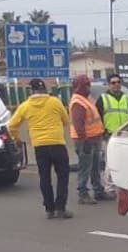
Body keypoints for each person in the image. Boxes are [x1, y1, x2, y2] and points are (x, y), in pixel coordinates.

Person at [6, 78, 72, 219]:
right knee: (62, 176)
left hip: (40, 146)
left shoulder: (25, 106)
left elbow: (11, 126)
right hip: (57, 143)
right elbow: (66, 120)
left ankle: (49, 209)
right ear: (44, 89)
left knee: (44, 177)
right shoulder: (55, 102)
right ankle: (60, 208)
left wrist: (17, 139)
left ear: (31, 90)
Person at [68, 73, 110, 204]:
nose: (88, 87)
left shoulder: (85, 99)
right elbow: (78, 124)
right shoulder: (78, 102)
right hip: (85, 140)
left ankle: (98, 190)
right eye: (86, 84)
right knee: (85, 168)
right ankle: (83, 193)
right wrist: (84, 140)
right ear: (79, 86)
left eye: (89, 84)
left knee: (95, 167)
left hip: (94, 139)